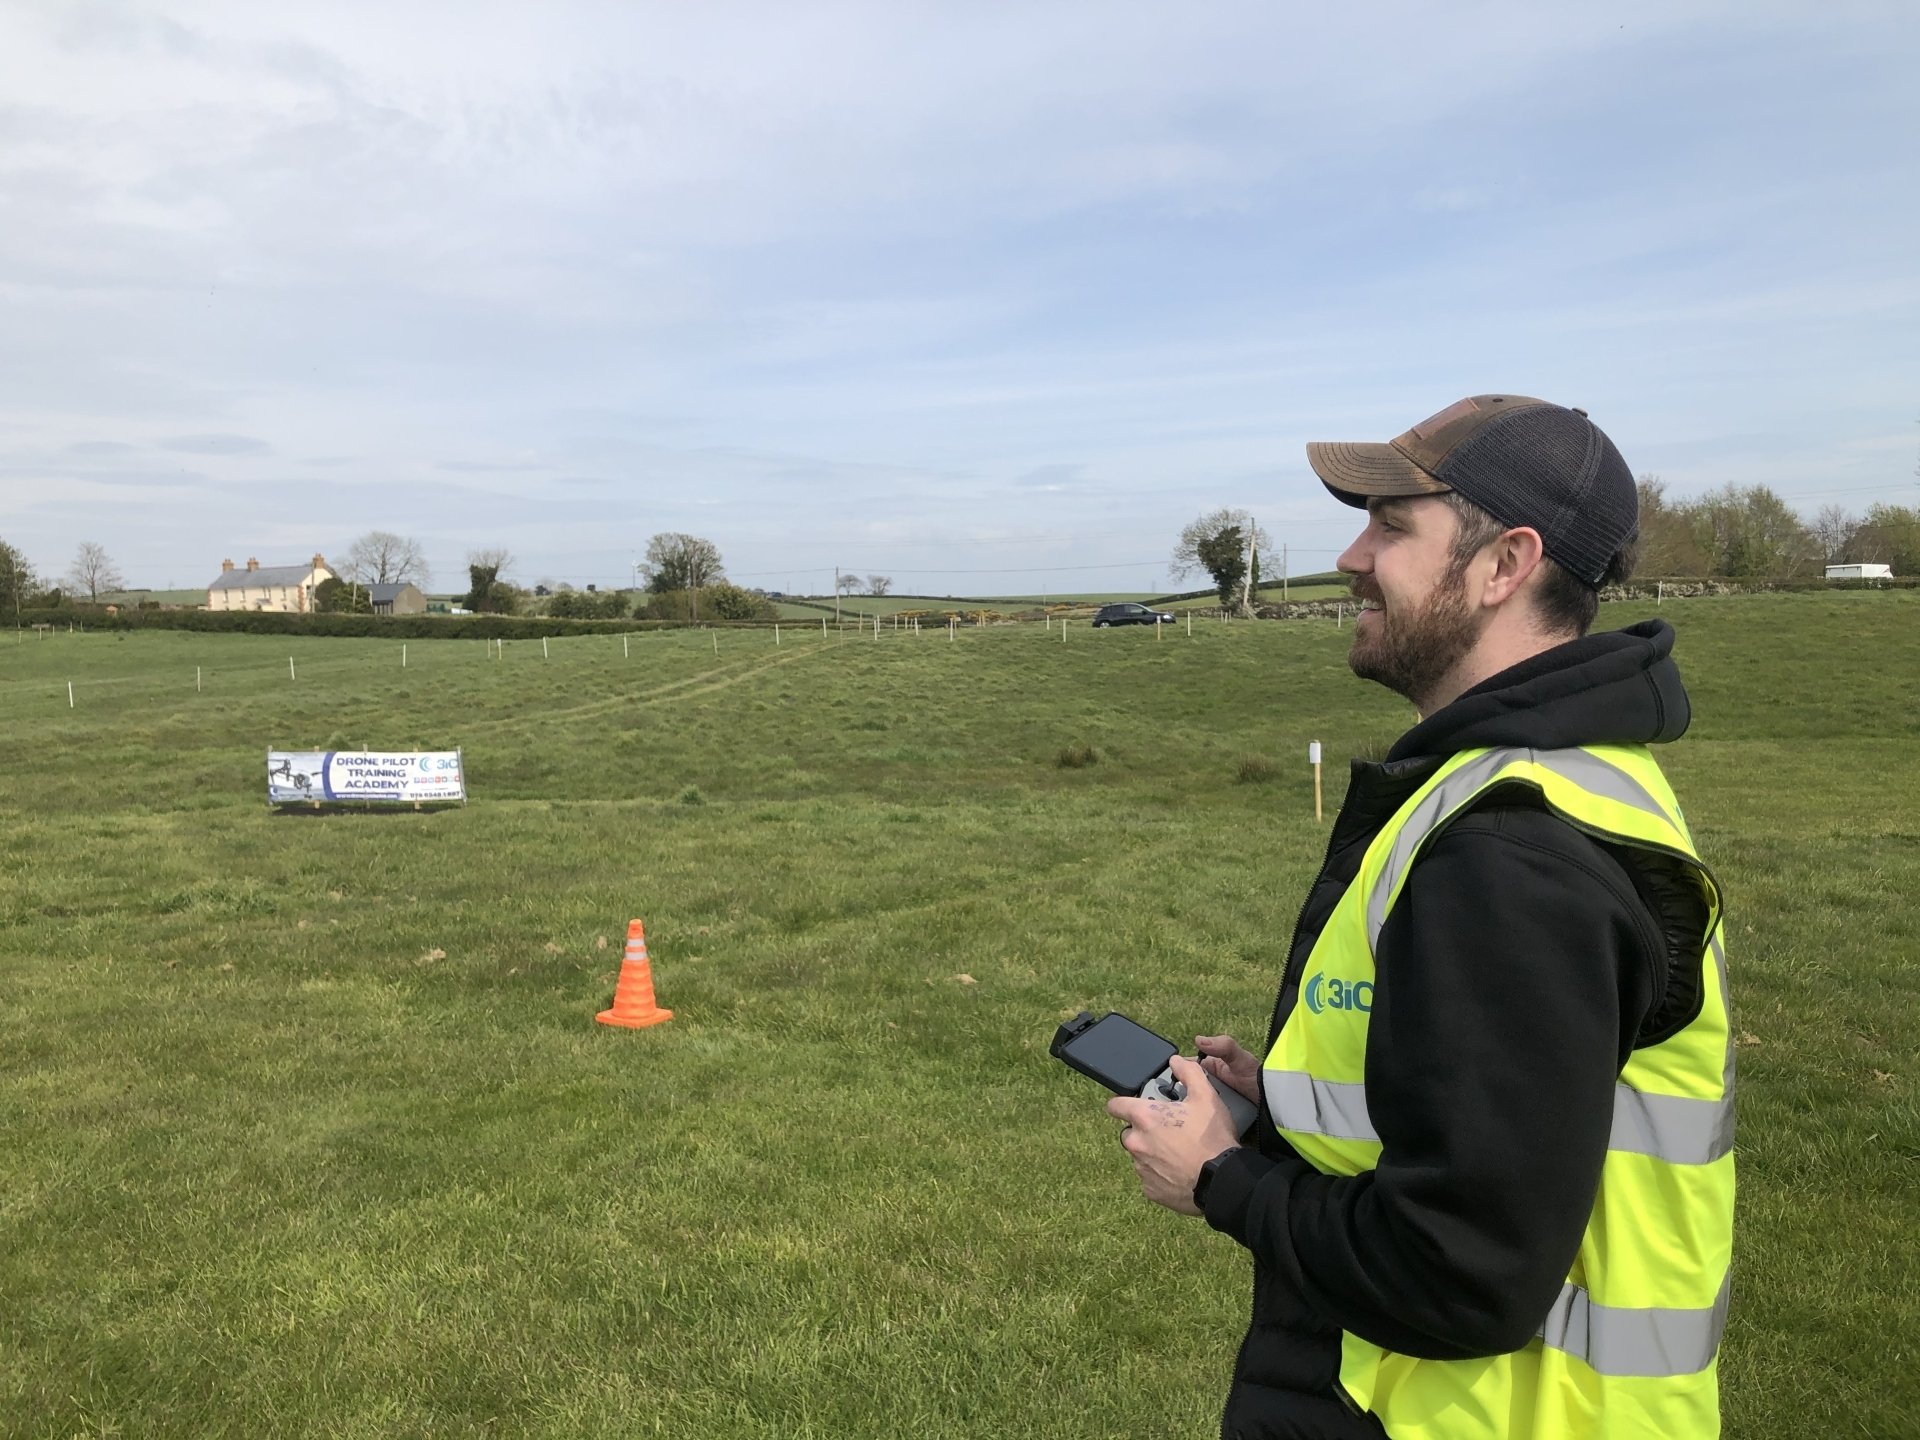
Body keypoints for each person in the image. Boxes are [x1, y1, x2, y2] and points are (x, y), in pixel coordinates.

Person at [1107, 395, 1733, 1439]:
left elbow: (1460, 1275)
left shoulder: (1512, 850)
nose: (1352, 556)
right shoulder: (1557, 777)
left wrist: (1221, 1179)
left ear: (1503, 565)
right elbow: (1512, 1109)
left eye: (1393, 526)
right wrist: (1297, 1108)